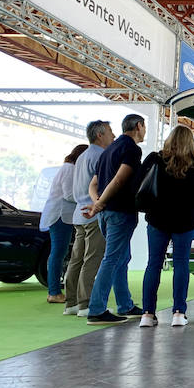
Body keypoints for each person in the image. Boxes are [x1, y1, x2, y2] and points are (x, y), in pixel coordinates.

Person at [138, 126, 194, 328]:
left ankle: (147, 314)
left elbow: (140, 183)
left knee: (154, 264)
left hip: (157, 220)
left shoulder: (155, 159)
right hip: (184, 222)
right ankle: (178, 313)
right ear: (190, 143)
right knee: (181, 264)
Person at [83, 114, 147, 325]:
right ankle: (97, 309)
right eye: (144, 127)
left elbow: (93, 185)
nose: (144, 131)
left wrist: (98, 203)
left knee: (121, 258)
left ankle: (124, 304)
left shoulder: (108, 150)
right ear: (139, 126)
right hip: (120, 211)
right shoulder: (131, 149)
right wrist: (100, 203)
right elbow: (120, 179)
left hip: (106, 213)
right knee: (112, 258)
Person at [63, 120, 115, 316]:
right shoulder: (102, 156)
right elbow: (102, 185)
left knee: (76, 259)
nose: (113, 135)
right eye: (110, 131)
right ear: (100, 134)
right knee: (91, 259)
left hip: (79, 213)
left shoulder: (83, 156)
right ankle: (85, 304)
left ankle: (71, 302)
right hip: (93, 212)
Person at [39, 144, 88, 303]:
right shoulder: (69, 169)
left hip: (61, 216)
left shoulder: (68, 168)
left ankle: (55, 291)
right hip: (60, 216)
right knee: (58, 253)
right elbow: (68, 194)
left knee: (58, 253)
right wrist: (87, 199)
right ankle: (54, 292)